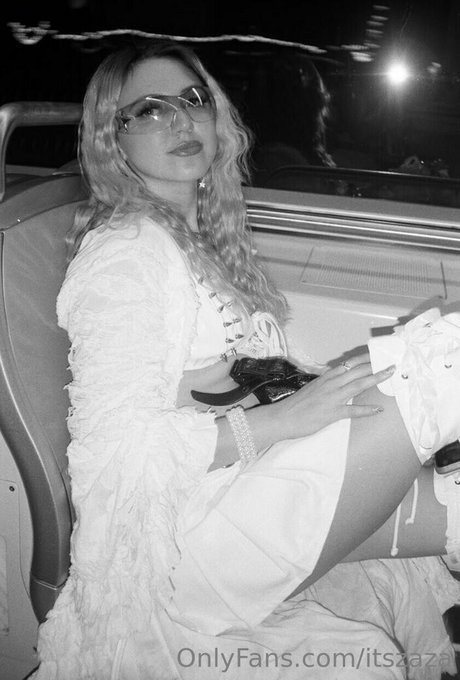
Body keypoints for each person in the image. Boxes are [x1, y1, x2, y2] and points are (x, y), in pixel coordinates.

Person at [30, 40, 460, 680]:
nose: (180, 119)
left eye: (192, 99)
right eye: (149, 110)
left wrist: (311, 397)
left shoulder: (200, 239)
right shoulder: (125, 255)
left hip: (242, 485)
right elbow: (118, 453)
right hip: (187, 540)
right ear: (111, 140)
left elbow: (229, 381)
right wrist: (285, 421)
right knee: (447, 360)